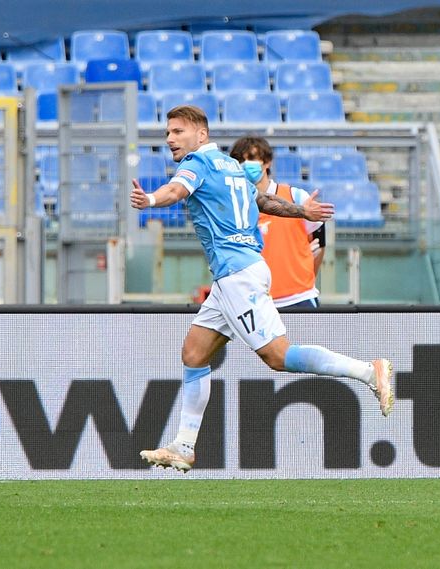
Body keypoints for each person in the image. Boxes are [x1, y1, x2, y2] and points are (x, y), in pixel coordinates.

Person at [129, 105, 393, 472]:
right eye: (168, 133)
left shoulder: (197, 164)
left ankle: (368, 371)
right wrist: (302, 212)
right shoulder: (231, 167)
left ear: (201, 135)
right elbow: (264, 201)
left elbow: (175, 190)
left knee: (278, 357)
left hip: (238, 276)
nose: (170, 139)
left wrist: (150, 200)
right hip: (237, 274)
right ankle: (184, 446)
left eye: (178, 131)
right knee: (194, 353)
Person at [230, 135, 325, 308]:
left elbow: (320, 240)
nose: (245, 165)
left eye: (251, 158)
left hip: (299, 299)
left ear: (267, 162)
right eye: (240, 161)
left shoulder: (295, 197)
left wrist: (306, 277)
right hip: (255, 302)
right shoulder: (234, 205)